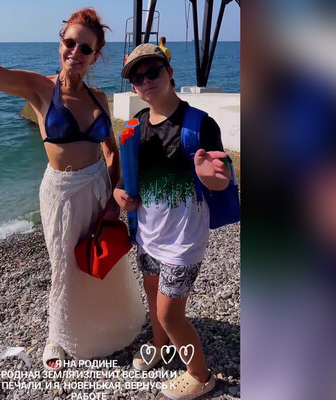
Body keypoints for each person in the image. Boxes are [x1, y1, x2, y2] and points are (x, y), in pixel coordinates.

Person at [0, 8, 145, 370]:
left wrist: (113, 195)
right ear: (61, 42)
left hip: (98, 187)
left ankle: (111, 327)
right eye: (70, 43)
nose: (75, 52)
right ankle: (58, 337)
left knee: (101, 257)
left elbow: (112, 151)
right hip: (61, 193)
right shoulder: (39, 88)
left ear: (95, 55)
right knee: (65, 266)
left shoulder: (98, 97)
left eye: (85, 48)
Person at [114, 43, 231, 399]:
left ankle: (200, 375)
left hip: (184, 241)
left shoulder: (200, 125)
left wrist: (209, 175)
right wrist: (119, 195)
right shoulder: (135, 126)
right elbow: (126, 179)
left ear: (169, 72)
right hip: (147, 235)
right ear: (134, 87)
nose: (146, 81)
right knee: (153, 299)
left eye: (153, 72)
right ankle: (160, 345)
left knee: (170, 314)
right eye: (138, 78)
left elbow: (221, 179)